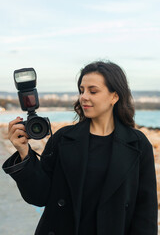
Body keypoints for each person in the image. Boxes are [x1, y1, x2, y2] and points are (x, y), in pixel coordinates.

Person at [2, 61, 158, 235]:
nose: (84, 97)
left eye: (93, 91)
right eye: (81, 90)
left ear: (114, 96)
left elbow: (146, 213)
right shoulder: (62, 139)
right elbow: (39, 196)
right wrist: (24, 153)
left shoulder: (138, 144)